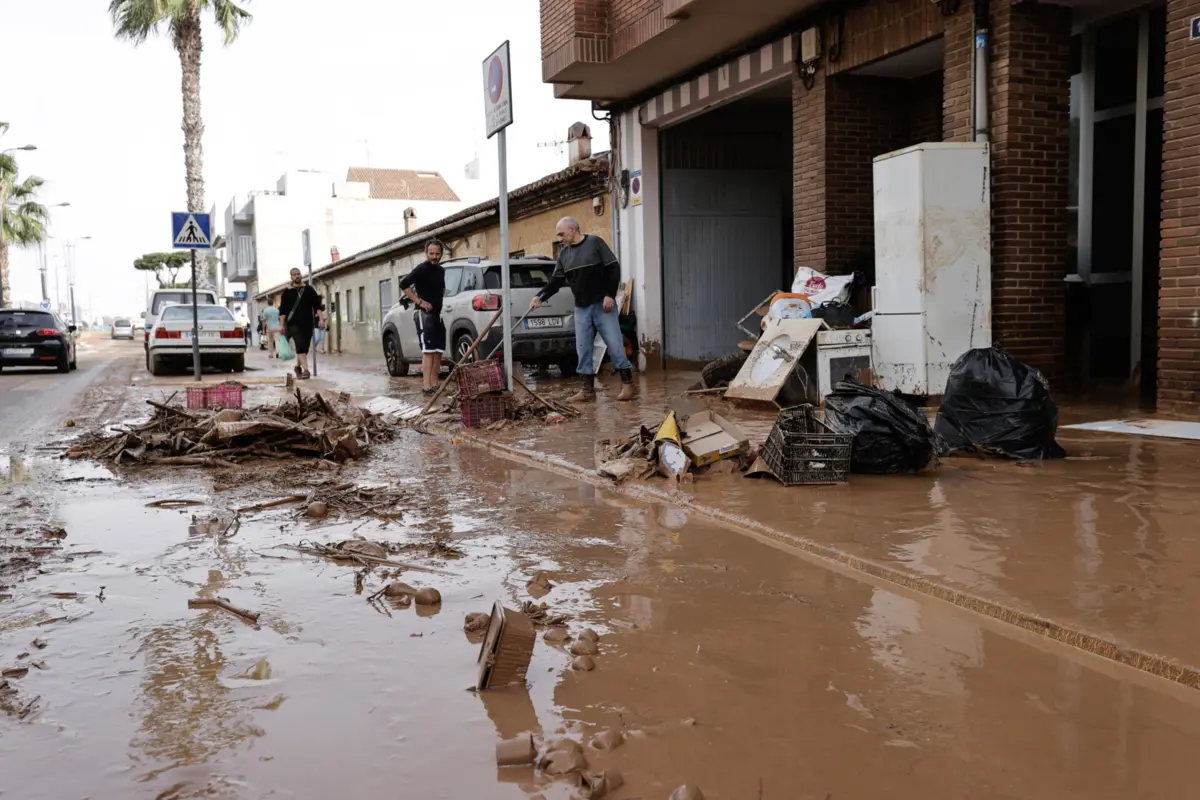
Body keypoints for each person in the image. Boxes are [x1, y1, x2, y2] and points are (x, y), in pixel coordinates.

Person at [532, 217, 634, 402]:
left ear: (572, 230)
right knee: (583, 348)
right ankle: (587, 390)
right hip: (581, 307)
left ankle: (627, 385)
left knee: (615, 344)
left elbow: (613, 268)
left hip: (603, 305)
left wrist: (610, 295)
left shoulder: (595, 242)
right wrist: (540, 296)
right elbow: (556, 281)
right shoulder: (564, 255)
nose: (560, 238)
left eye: (562, 234)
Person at [398, 239, 447, 394]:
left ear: (441, 254)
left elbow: (441, 289)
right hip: (424, 315)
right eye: (431, 253)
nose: (434, 257)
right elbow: (403, 284)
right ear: (426, 253)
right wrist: (419, 301)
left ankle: (434, 384)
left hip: (437, 314)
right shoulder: (421, 269)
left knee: (438, 350)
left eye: (437, 254)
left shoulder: (441, 270)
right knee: (429, 351)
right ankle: (426, 386)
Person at [279, 268, 321, 379]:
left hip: (308, 324)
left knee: (304, 348)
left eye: (298, 274)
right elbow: (283, 311)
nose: (297, 276)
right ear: (291, 277)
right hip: (293, 324)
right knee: (301, 346)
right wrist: (281, 325)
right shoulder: (287, 292)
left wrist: (321, 319)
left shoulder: (309, 290)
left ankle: (297, 366)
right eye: (294, 274)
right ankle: (306, 371)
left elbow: (317, 306)